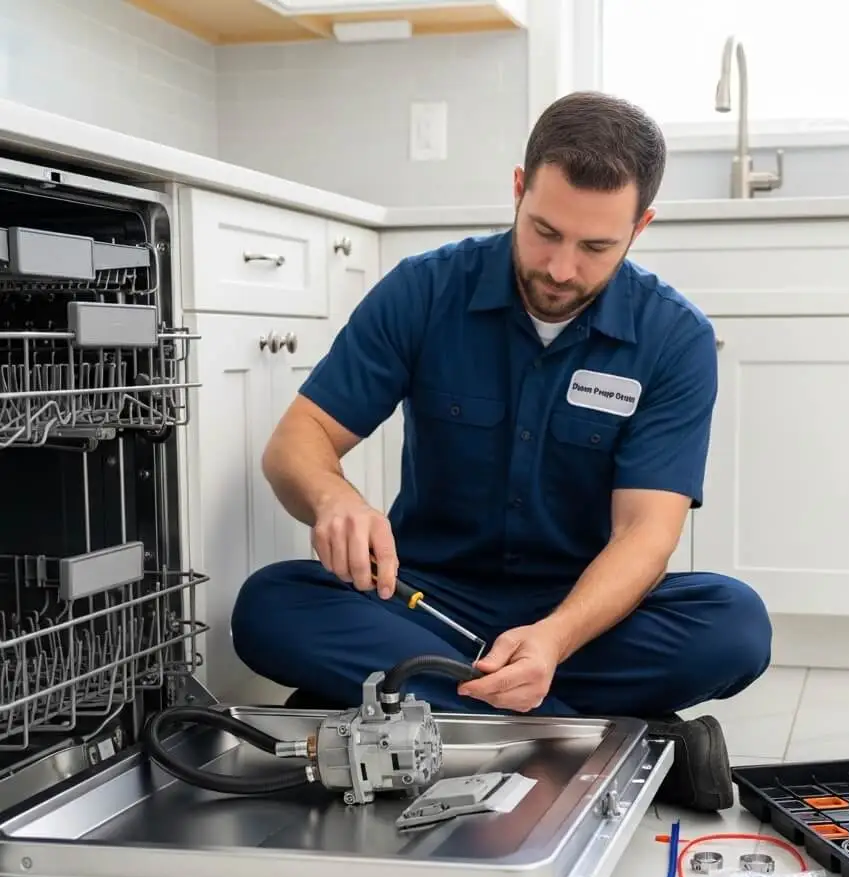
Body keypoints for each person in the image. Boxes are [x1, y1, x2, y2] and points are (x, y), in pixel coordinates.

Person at [230, 91, 773, 813]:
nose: (561, 268)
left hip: (583, 618)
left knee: (735, 626)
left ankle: (411, 708)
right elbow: (296, 442)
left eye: (596, 247)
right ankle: (604, 741)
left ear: (640, 227)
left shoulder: (674, 338)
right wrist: (335, 499)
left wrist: (552, 640)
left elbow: (647, 533)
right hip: (422, 602)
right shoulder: (424, 290)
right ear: (519, 189)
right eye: (544, 231)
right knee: (268, 606)